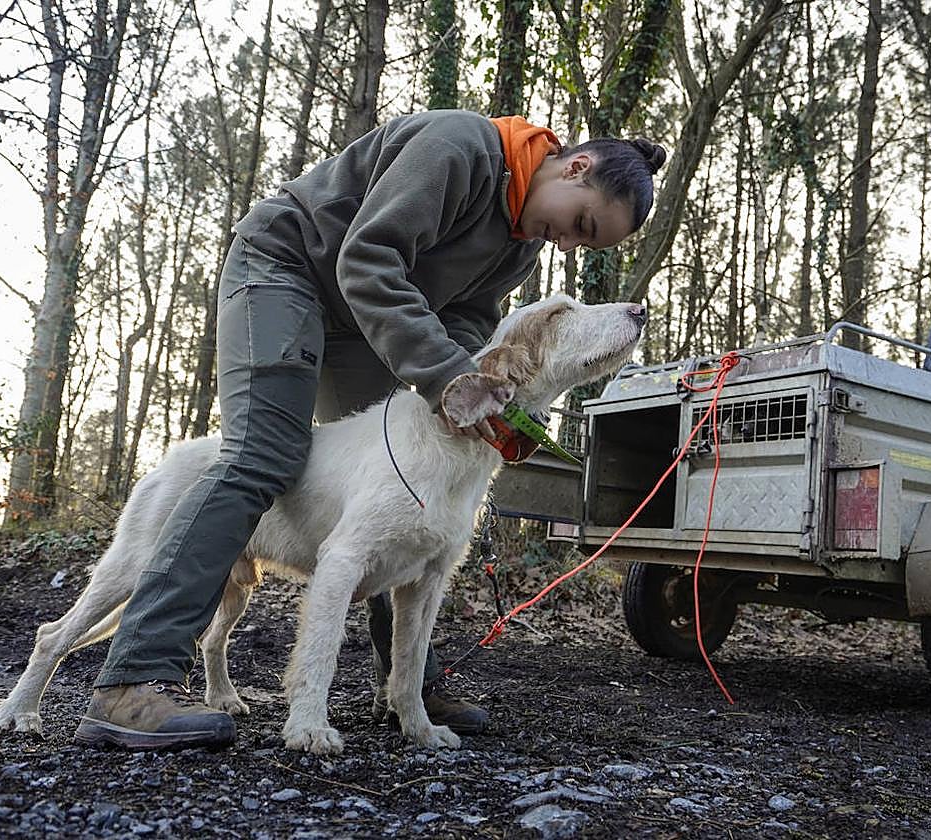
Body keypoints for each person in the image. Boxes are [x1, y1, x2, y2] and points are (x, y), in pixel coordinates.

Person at [74, 109, 667, 750]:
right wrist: (445, 376)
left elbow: (464, 318)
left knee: (401, 476)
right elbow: (367, 257)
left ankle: (407, 685)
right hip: (285, 269)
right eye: (581, 224)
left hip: (365, 317)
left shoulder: (520, 244)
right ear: (574, 167)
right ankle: (132, 680)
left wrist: (474, 389)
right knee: (263, 453)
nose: (568, 242)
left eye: (586, 243)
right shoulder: (460, 146)